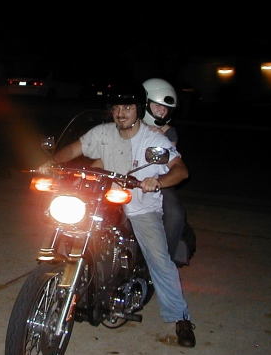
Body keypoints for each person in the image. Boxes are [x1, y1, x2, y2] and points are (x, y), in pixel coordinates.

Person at [39, 82, 196, 348]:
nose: (120, 113)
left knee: (159, 259)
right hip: (106, 200)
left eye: (127, 108)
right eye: (116, 108)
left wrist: (157, 182)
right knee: (70, 223)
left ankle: (179, 316)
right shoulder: (103, 132)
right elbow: (75, 149)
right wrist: (52, 163)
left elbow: (181, 170)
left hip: (141, 206)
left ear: (138, 110)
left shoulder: (153, 140)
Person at [142, 78, 186, 263]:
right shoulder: (132, 124)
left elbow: (169, 158)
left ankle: (163, 261)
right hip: (127, 175)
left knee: (175, 214)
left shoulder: (169, 132)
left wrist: (161, 138)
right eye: (157, 105)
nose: (161, 111)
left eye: (165, 108)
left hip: (158, 179)